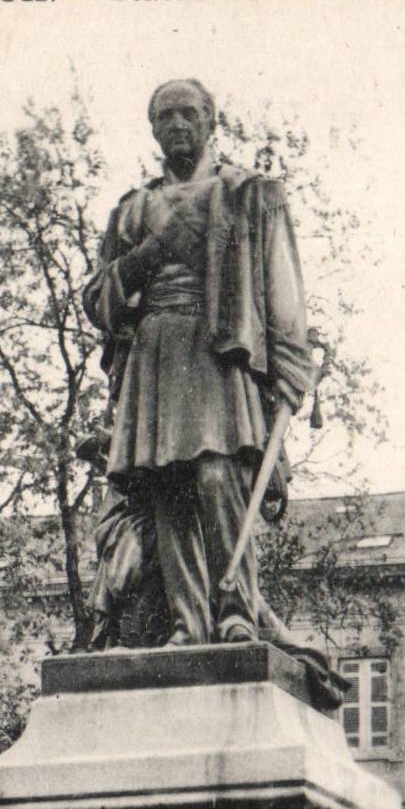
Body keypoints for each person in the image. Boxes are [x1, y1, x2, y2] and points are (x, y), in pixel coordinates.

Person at [83, 78, 319, 648]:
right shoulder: (132, 211)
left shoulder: (249, 195)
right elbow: (98, 300)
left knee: (218, 478)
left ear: (213, 121)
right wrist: (148, 256)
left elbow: (282, 293)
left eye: (190, 114)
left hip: (217, 356)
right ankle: (190, 625)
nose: (178, 125)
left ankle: (236, 611)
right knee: (169, 489)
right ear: (154, 130)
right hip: (155, 357)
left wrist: (291, 371)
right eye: (166, 117)